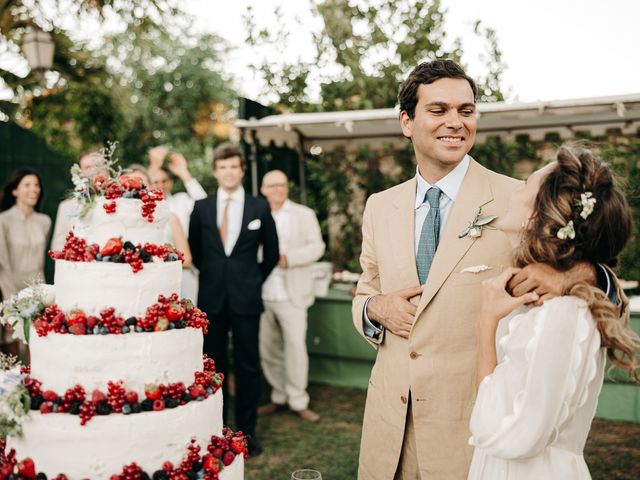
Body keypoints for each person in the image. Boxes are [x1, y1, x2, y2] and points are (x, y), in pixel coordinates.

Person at [352, 60, 618, 479]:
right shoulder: (379, 206)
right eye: (438, 111)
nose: (455, 122)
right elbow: (364, 290)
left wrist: (572, 276)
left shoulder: (521, 201)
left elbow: (603, 286)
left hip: (471, 434)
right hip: (389, 432)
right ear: (407, 122)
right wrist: (374, 308)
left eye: (466, 110)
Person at [468, 146, 638, 479]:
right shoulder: (543, 293)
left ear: (535, 217)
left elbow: (510, 434)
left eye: (525, 183)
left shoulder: (559, 311)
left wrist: (485, 323)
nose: (515, 188)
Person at [188, 143, 279, 456]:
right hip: (211, 299)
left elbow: (271, 253)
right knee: (213, 366)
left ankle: (246, 434)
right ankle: (214, 431)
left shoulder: (259, 206)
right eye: (222, 166)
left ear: (242, 170)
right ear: (216, 171)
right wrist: (216, 276)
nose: (228, 172)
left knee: (248, 365)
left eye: (234, 166)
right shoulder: (201, 208)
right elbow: (196, 251)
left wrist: (251, 280)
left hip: (246, 298)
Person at [257, 170, 325, 422]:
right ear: (263, 189)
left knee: (295, 347)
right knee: (268, 349)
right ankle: (279, 395)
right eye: (272, 185)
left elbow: (317, 247)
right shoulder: (256, 213)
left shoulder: (303, 214)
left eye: (282, 185)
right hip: (262, 293)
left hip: (293, 293)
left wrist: (289, 259)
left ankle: (298, 399)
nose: (278, 189)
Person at [0, 168, 51, 354]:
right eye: (27, 185)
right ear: (15, 191)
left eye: (37, 185)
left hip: (38, 293)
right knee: (13, 356)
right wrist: (10, 305)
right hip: (10, 293)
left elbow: (40, 264)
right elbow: (3, 266)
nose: (34, 189)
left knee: (37, 350)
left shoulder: (44, 222)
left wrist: (41, 298)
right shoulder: (3, 221)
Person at [124, 165, 192, 270]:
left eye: (140, 184)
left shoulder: (169, 217)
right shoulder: (112, 219)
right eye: (129, 185)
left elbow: (186, 259)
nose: (134, 190)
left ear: (150, 187)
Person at [50, 151, 102, 250]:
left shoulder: (115, 203)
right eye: (87, 167)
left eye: (96, 166)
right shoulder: (66, 206)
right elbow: (58, 245)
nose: (93, 171)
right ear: (80, 173)